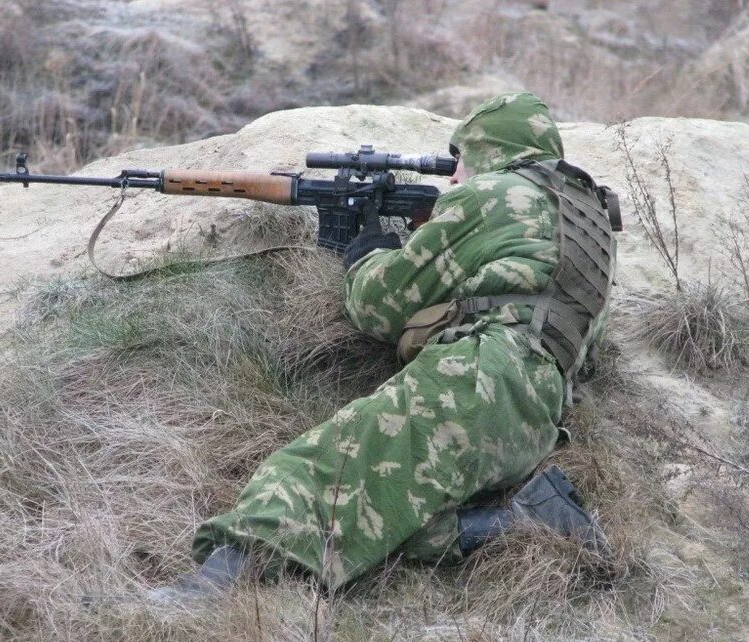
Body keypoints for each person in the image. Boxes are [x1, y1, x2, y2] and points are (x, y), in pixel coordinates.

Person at [151, 92, 618, 603]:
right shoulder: (585, 218)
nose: (454, 177)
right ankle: (527, 519)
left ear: (491, 153)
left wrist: (368, 253)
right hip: (534, 415)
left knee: (310, 476)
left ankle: (205, 594)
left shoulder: (495, 195)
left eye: (462, 160)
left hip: (475, 382)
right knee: (383, 517)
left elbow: (376, 307)